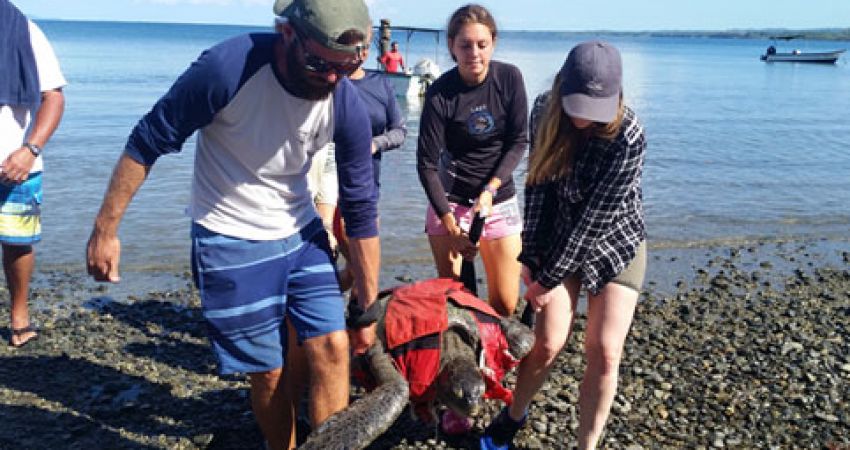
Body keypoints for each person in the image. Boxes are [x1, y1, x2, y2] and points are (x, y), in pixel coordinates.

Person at [84, 0, 381, 448]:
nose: (334, 77)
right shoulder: (227, 69)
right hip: (228, 233)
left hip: (301, 231)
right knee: (270, 372)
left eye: (349, 65)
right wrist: (105, 230)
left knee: (334, 348)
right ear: (287, 34)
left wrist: (367, 303)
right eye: (321, 63)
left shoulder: (345, 102)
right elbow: (148, 140)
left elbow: (360, 209)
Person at [481, 41, 647, 450]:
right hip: (557, 236)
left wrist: (544, 281)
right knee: (548, 343)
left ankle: (585, 446)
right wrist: (532, 257)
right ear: (560, 88)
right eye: (577, 107)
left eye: (596, 110)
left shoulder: (630, 137)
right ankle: (513, 416)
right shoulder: (544, 112)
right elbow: (537, 187)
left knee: (606, 351)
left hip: (614, 240)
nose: (584, 120)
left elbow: (593, 225)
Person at [416, 4, 527, 317]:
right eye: (465, 45)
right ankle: (466, 359)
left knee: (505, 303)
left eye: (482, 44)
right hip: (449, 203)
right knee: (455, 300)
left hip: (497, 198)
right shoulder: (440, 93)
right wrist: (451, 225)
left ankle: (492, 356)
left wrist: (491, 189)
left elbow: (518, 141)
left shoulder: (509, 78)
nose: (474, 53)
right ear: (452, 45)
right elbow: (426, 164)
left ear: (493, 42)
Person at [0, 0, 66, 348]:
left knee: (17, 242)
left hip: (16, 163)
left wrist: (31, 149)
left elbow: (53, 97)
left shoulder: (22, 28)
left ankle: (19, 316)